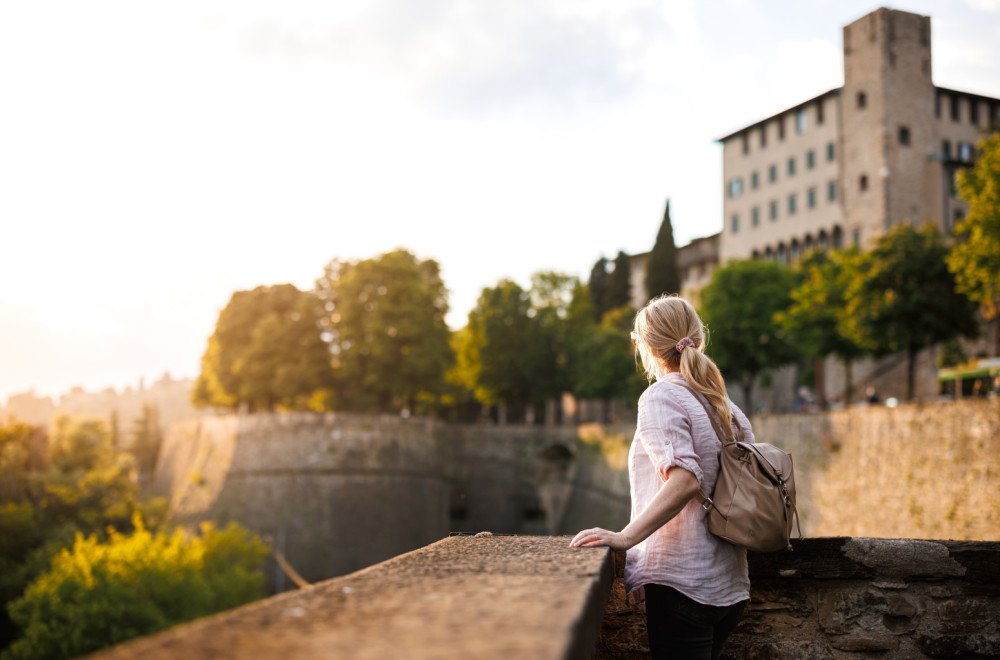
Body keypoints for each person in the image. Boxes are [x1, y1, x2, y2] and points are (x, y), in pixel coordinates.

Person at [570, 295, 753, 660]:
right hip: (730, 585)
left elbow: (685, 480)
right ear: (698, 338)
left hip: (684, 583)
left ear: (646, 348)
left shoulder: (660, 398)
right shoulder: (725, 406)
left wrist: (625, 537)